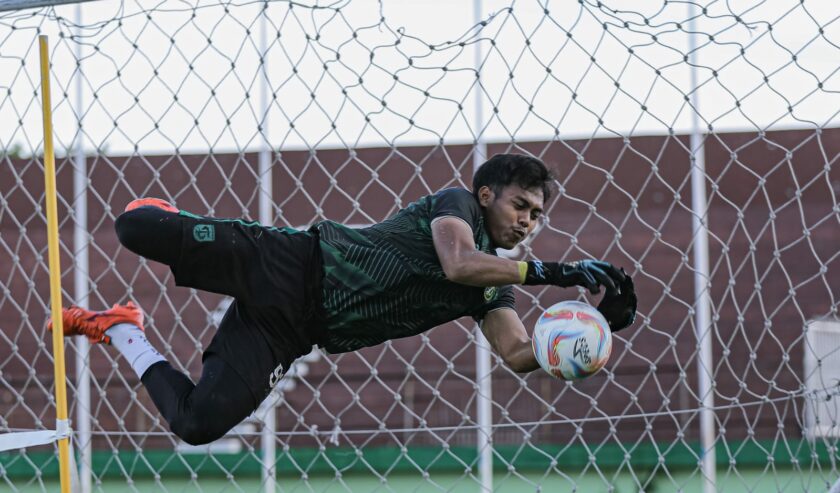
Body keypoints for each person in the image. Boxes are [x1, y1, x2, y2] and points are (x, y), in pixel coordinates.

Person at [51, 153, 637, 445]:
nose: (528, 222)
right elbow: (457, 262)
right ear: (487, 195)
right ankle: (178, 221)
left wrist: (590, 329)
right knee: (136, 230)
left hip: (295, 329)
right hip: (290, 264)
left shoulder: (496, 281)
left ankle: (122, 327)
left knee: (198, 423)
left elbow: (516, 352)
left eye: (537, 215)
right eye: (519, 207)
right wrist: (558, 272)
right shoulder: (456, 206)